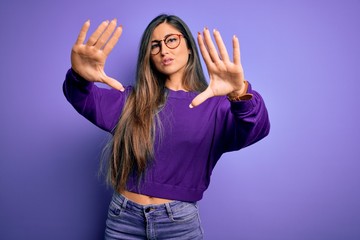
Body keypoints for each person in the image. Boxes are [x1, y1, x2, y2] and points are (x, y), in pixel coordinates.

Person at [63, 14, 270, 239]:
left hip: (179, 224)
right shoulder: (132, 100)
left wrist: (239, 92)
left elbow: (257, 127)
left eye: (171, 40)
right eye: (155, 45)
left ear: (190, 47)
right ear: (149, 56)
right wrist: (79, 76)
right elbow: (81, 96)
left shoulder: (216, 106)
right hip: (123, 220)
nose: (163, 50)